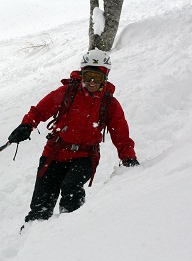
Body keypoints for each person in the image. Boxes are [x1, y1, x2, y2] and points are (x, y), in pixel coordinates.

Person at [8, 49, 139, 227]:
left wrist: (128, 156)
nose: (92, 82)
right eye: (88, 76)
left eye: (97, 77)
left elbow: (121, 133)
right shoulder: (67, 92)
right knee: (41, 203)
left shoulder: (109, 103)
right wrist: (26, 125)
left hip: (85, 158)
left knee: (71, 189)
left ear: (105, 77)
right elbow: (40, 110)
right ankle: (32, 237)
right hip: (54, 153)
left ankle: (71, 231)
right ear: (82, 74)